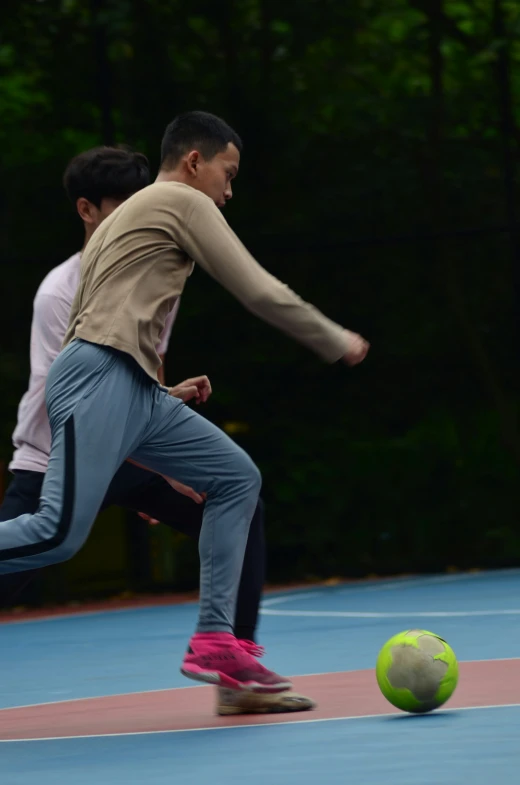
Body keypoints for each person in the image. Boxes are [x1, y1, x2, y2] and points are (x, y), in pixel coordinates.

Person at [0, 111, 369, 694]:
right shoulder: (179, 198)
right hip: (104, 378)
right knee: (58, 533)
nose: (229, 190)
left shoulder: (127, 222)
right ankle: (221, 641)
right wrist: (333, 337)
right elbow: (257, 288)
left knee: (235, 479)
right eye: (228, 171)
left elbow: (97, 324)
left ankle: (216, 641)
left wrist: (149, 394)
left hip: (130, 388)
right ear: (194, 162)